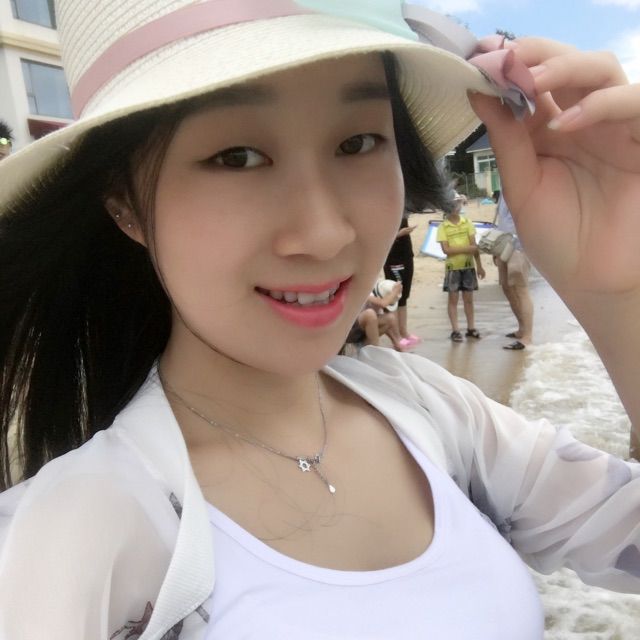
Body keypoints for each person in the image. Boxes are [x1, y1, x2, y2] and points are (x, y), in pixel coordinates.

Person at [0, 2, 639, 638]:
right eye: (237, 156)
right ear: (124, 204)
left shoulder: (435, 414)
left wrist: (619, 294)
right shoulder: (75, 537)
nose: (325, 232)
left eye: (357, 143)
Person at [436, 195, 486, 341]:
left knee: (468, 299)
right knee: (453, 299)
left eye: (457, 204)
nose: (456, 207)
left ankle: (471, 328)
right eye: (453, 204)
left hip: (468, 266)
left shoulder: (467, 222)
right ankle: (455, 330)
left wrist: (480, 266)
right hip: (452, 268)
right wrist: (467, 248)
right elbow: (446, 250)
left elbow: (474, 247)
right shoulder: (443, 227)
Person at [495, 191, 534, 350]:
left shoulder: (520, 188)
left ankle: (527, 337)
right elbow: (501, 219)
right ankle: (522, 329)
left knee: (521, 289)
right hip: (503, 244)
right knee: (506, 287)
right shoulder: (503, 190)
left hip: (519, 246)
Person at [384, 213, 421, 348]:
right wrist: (399, 234)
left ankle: (403, 332)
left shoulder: (402, 208)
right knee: (395, 296)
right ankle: (396, 336)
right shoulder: (383, 211)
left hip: (406, 254)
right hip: (393, 258)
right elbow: (380, 237)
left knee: (404, 296)